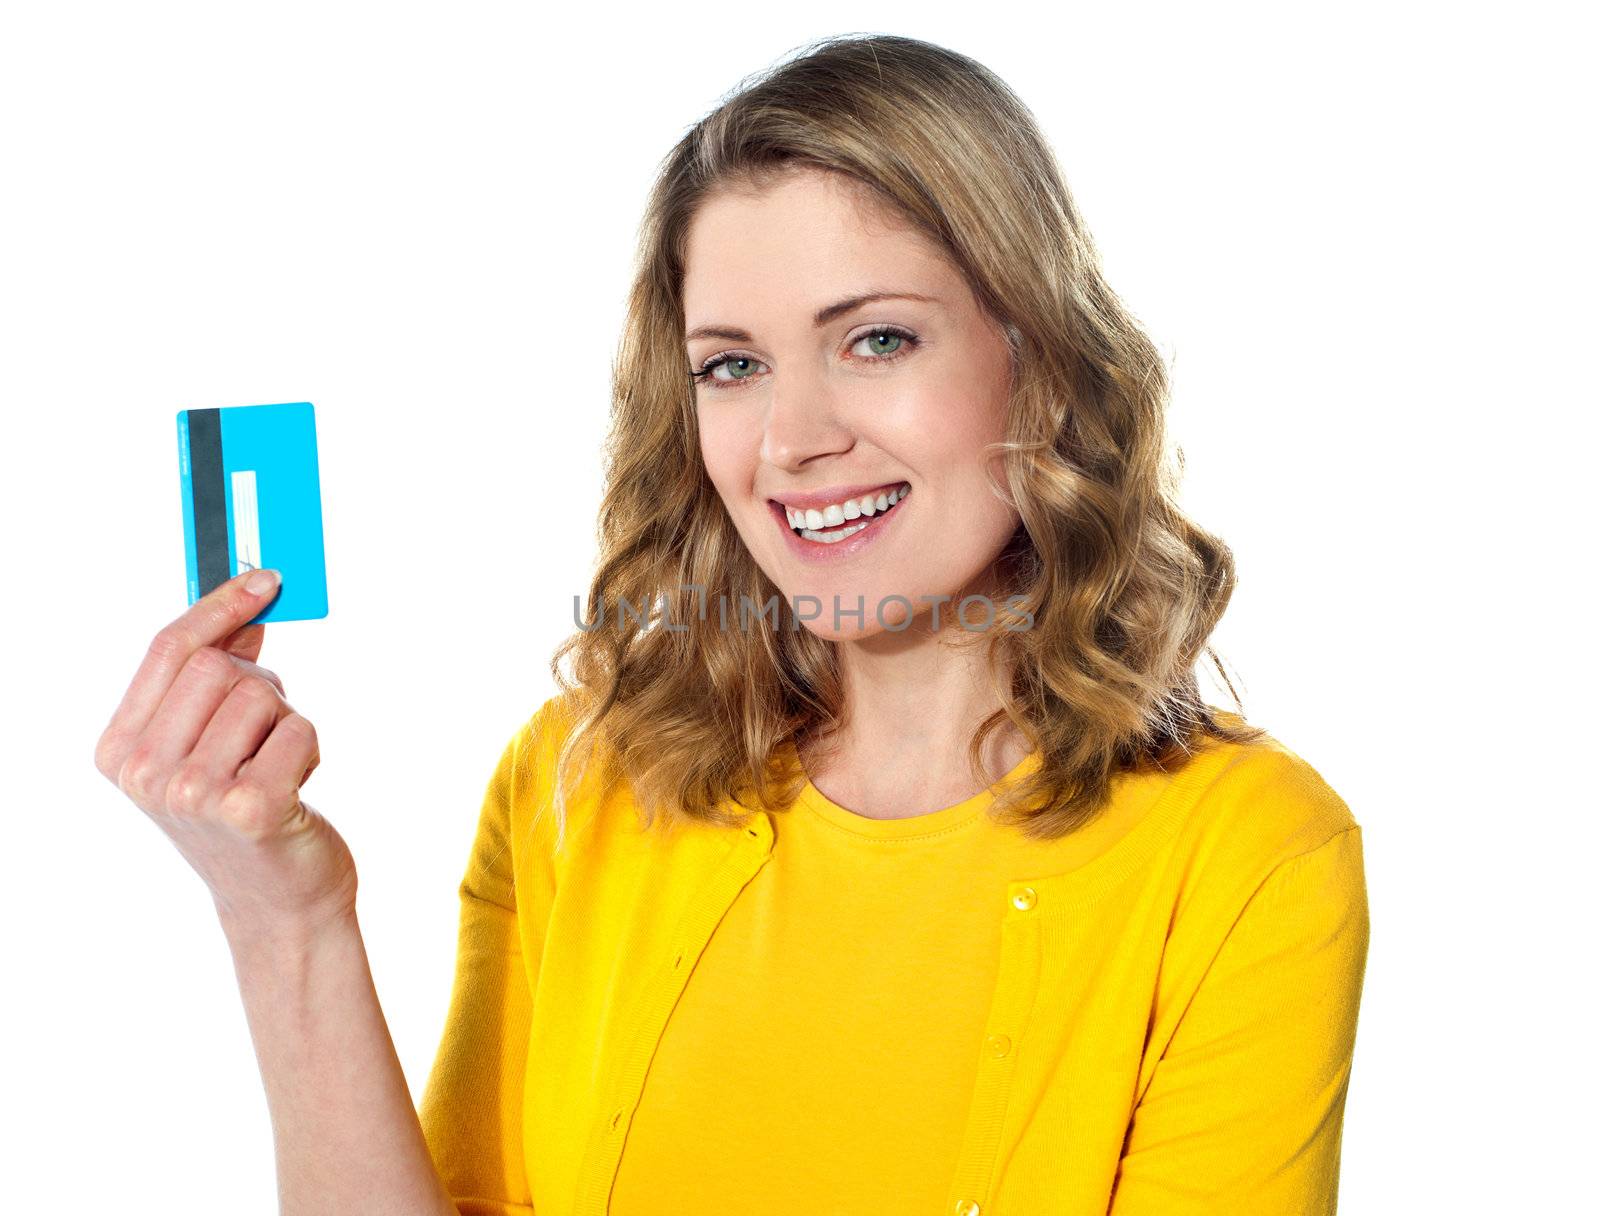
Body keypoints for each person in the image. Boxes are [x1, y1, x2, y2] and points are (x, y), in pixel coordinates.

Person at [94, 32, 1369, 1216]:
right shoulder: (578, 785)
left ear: (1035, 360)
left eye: (875, 338)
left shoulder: (1246, 856)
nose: (794, 441)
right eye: (733, 365)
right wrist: (284, 921)